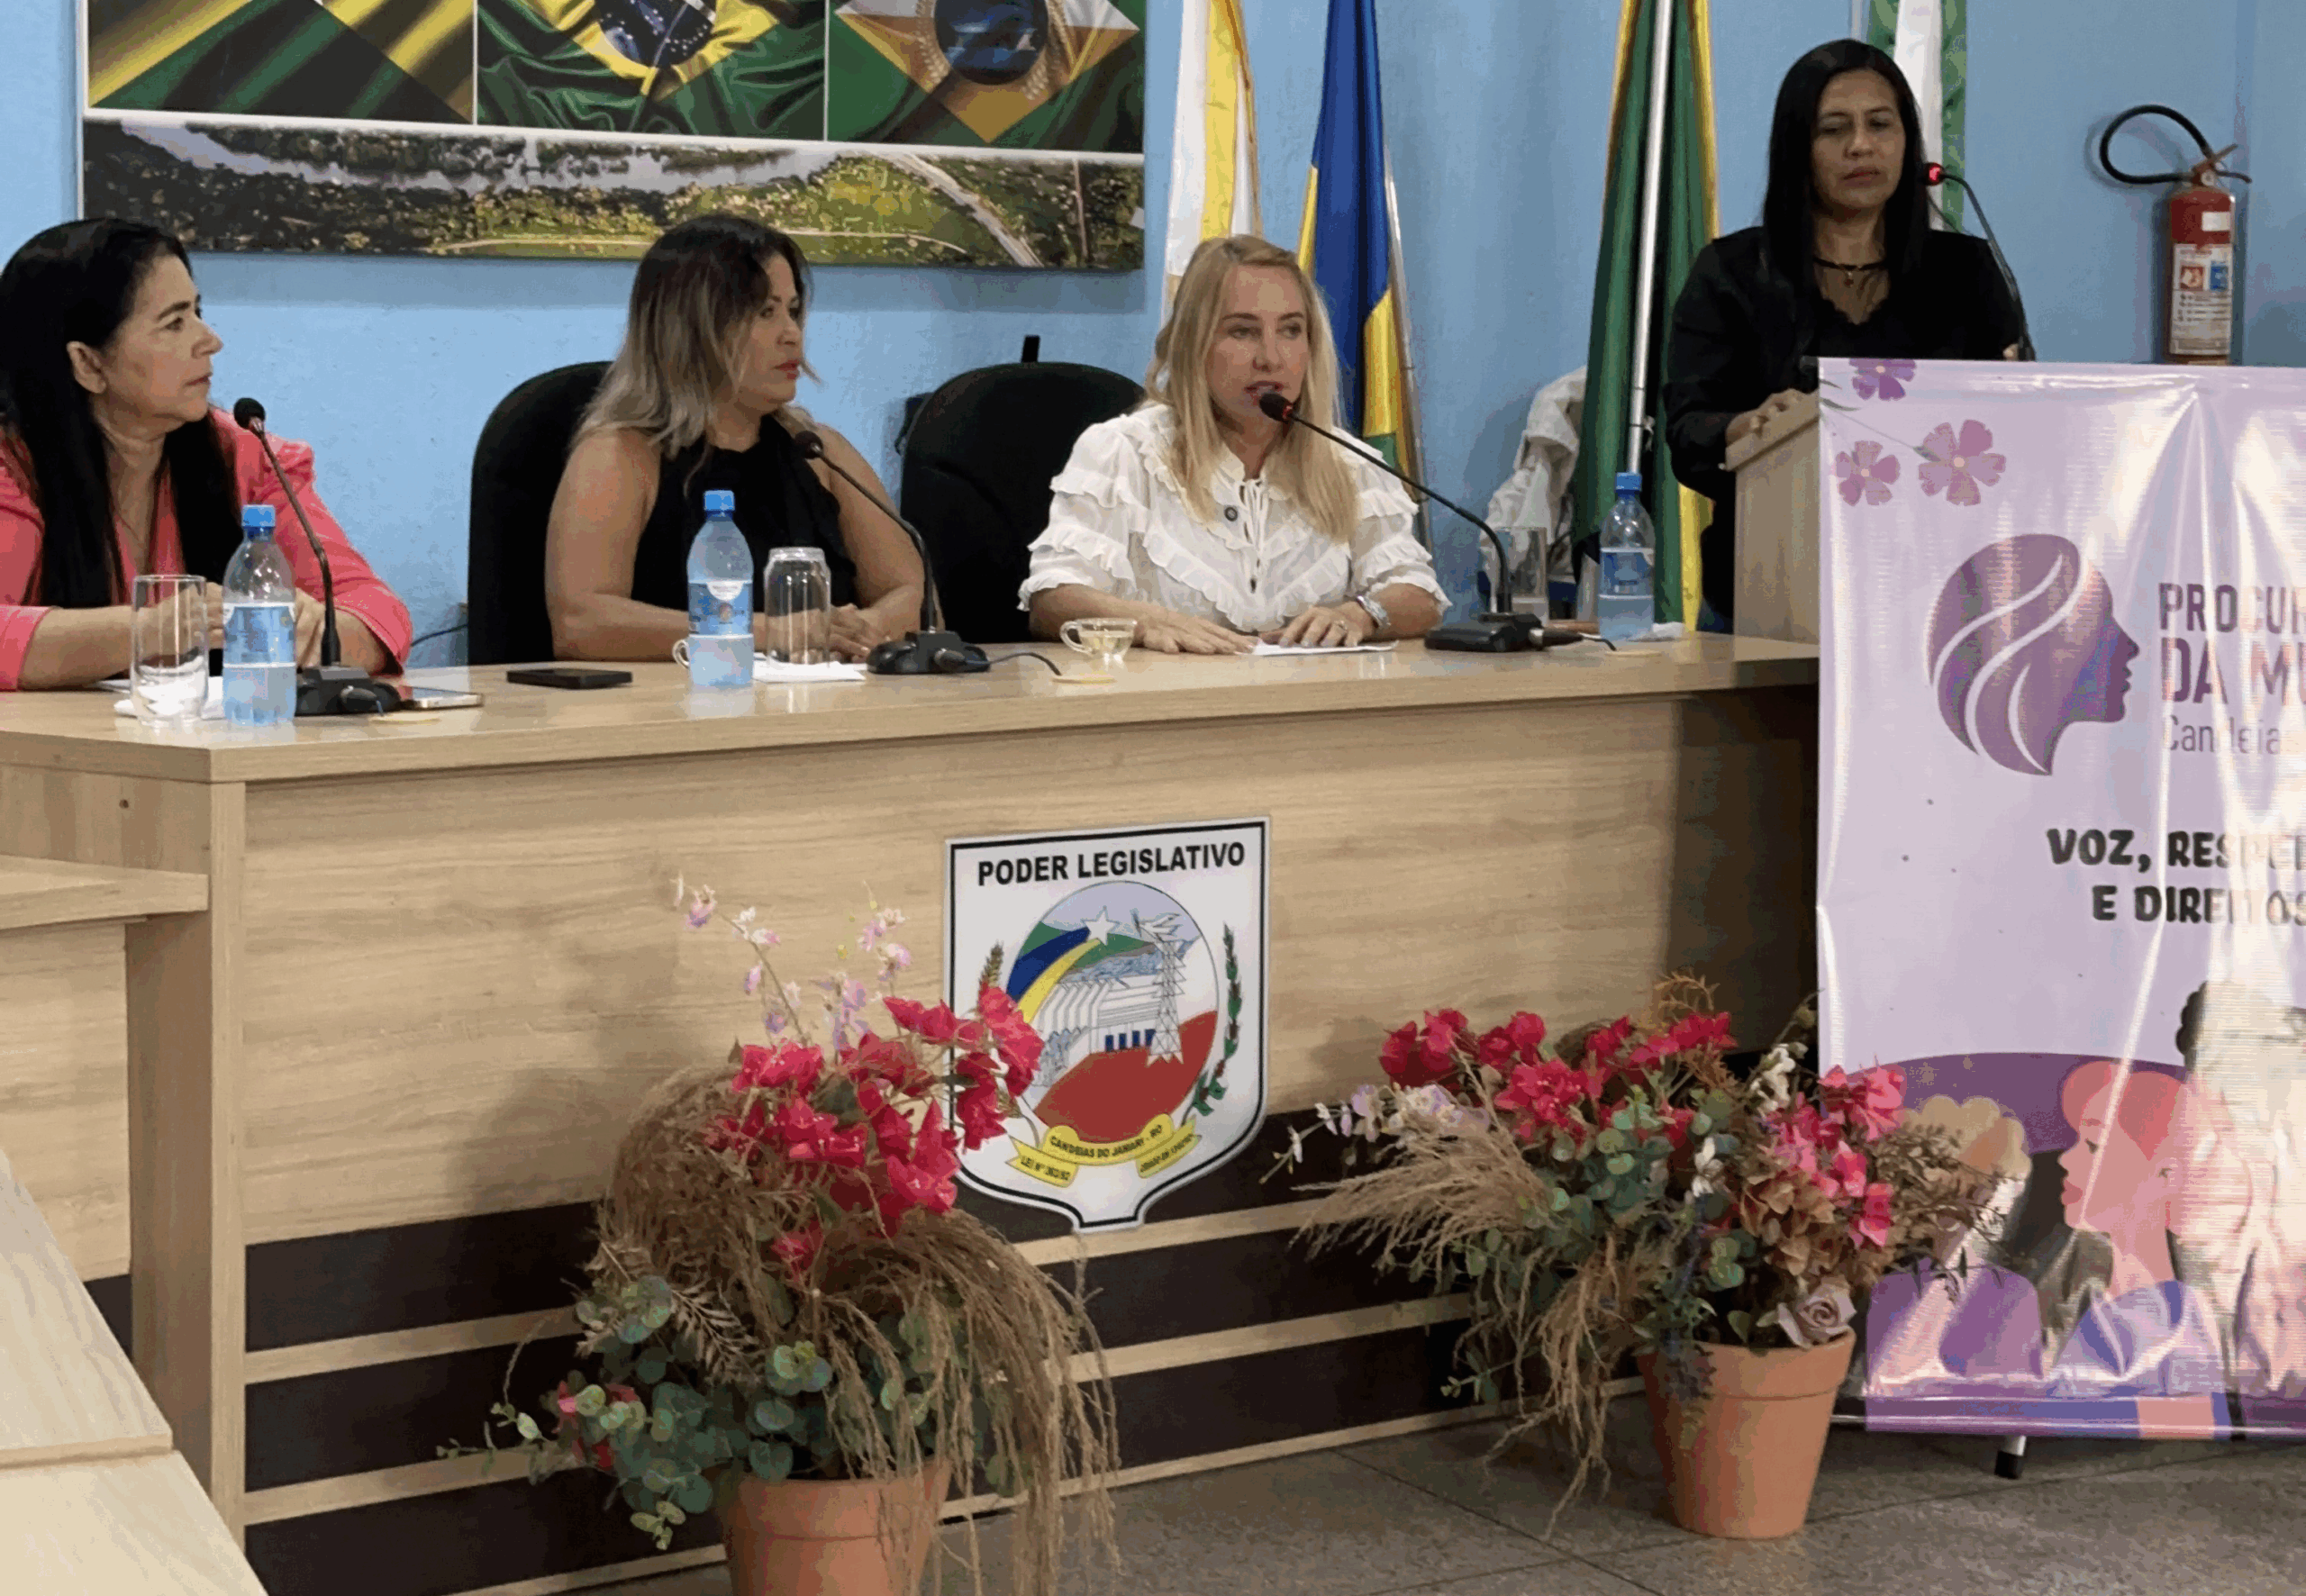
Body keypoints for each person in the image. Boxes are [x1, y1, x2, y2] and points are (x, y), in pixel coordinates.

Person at [1665, 40, 2025, 626]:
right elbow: (1687, 429)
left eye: (1880, 124)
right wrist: (1749, 426)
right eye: (1834, 129)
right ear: (1797, 148)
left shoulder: (1966, 273)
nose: (1861, 145)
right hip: (1769, 597)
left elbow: (2011, 430)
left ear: (1907, 141)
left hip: (1936, 601)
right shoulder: (1732, 274)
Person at [0, 220, 410, 691]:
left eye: (197, 312)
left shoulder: (245, 456)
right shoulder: (13, 468)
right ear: (88, 363)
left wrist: (315, 633)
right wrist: (150, 630)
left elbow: (378, 611)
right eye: (174, 323)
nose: (211, 341)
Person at [1021, 234, 1443, 654]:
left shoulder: (1351, 465)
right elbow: (1053, 600)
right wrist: (1147, 622)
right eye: (1243, 331)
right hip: (1162, 693)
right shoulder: (1123, 453)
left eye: (1291, 330)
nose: (1271, 357)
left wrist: (1361, 615)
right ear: (1194, 343)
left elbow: (1419, 595)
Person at [546, 216, 922, 665]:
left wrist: (864, 629)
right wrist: (772, 632)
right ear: (692, 329)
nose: (792, 334)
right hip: (675, 704)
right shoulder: (619, 456)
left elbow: (910, 591)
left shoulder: (819, 453)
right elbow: (582, 624)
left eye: (793, 310)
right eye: (765, 313)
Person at [1867, 1059, 2229, 1438]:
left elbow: (2195, 1414)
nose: (2066, 1159)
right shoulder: (2063, 1299)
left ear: (2166, 1175)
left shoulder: (2175, 1315)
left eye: (2092, 1145)